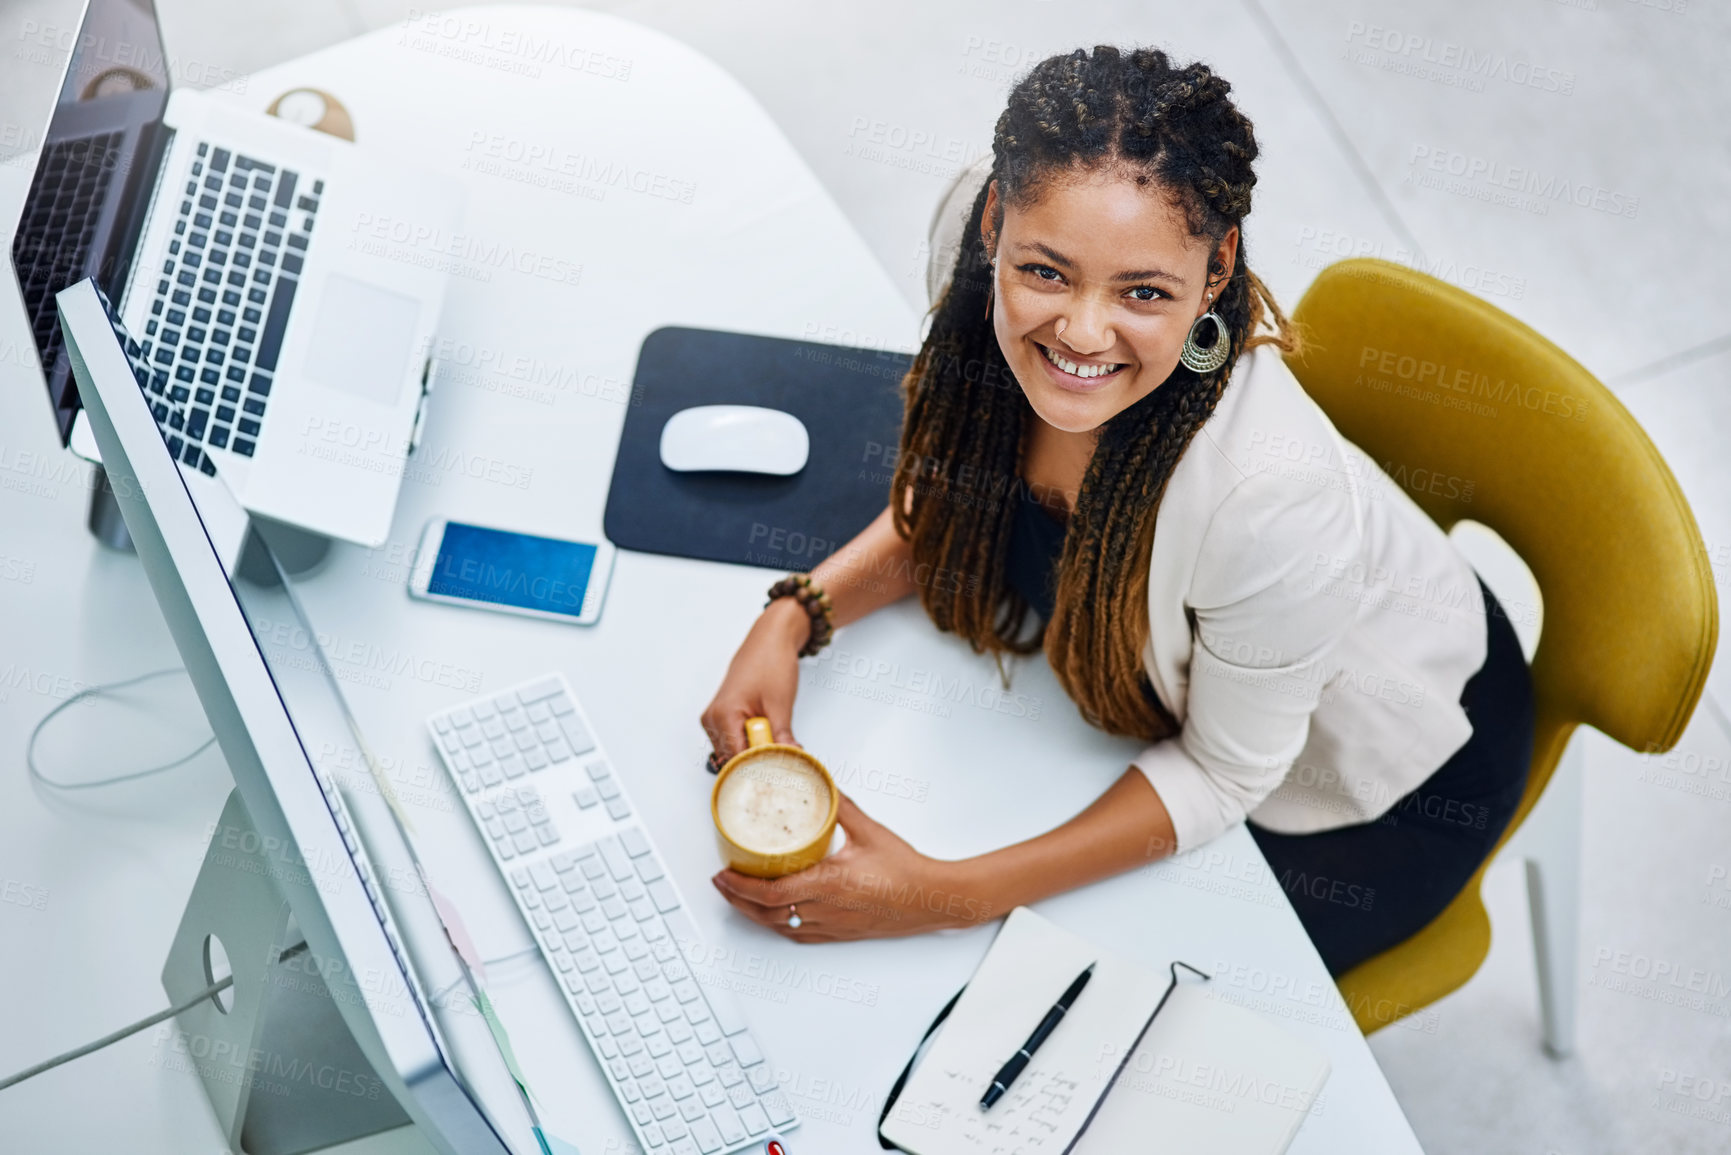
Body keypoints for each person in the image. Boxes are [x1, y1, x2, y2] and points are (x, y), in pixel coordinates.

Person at [700, 45, 1535, 977]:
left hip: (1366, 782)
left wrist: (947, 893)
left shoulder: (1270, 502)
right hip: (1215, 663)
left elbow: (1222, 773)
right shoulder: (976, 252)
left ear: (1216, 268)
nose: (1082, 335)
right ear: (993, 221)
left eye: (1143, 291)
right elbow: (959, 484)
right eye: (1046, 273)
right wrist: (793, 616)